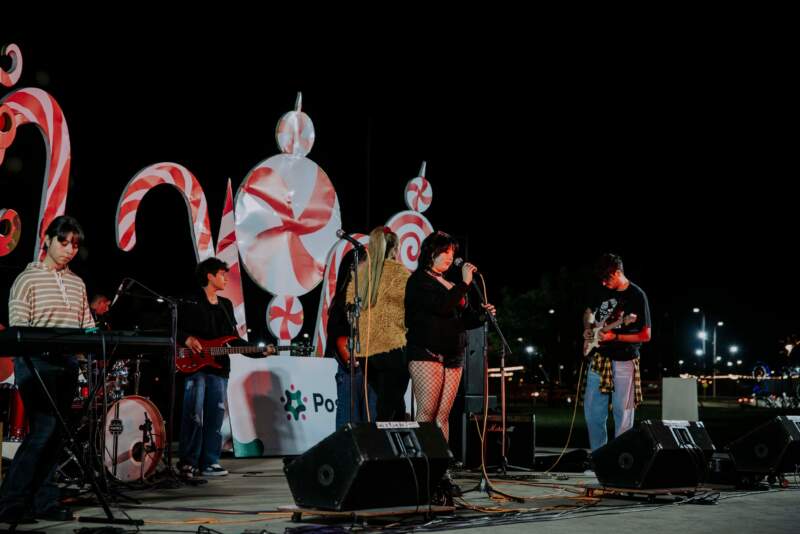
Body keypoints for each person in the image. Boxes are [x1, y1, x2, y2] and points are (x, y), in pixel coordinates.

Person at [0, 215, 94, 524]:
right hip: (34, 361)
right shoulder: (26, 280)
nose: (69, 249)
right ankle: (11, 502)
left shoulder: (77, 283)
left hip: (65, 363)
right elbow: (18, 331)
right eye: (64, 242)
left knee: (57, 436)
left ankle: (44, 501)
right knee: (43, 430)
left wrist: (95, 343)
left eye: (74, 245)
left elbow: (87, 327)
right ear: (48, 240)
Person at [176, 257, 275, 478]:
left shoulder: (225, 305)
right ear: (209, 275)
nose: (225, 278)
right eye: (221, 273)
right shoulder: (190, 301)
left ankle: (209, 462)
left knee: (215, 416)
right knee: (193, 414)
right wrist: (188, 339)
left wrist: (259, 351)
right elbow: (172, 327)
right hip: (194, 366)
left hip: (219, 368)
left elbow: (233, 340)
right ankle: (187, 462)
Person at [404, 231, 495, 442]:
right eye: (445, 252)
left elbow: (465, 319)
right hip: (426, 353)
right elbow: (442, 307)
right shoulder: (418, 281)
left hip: (453, 355)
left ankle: (442, 466)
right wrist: (464, 284)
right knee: (427, 413)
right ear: (430, 252)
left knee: (443, 416)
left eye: (452, 253)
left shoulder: (451, 285)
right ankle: (424, 463)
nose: (450, 257)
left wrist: (482, 315)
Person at [582, 252, 651, 452]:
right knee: (593, 413)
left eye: (607, 278)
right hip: (599, 358)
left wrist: (616, 337)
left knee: (623, 414)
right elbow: (588, 312)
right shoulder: (601, 290)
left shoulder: (637, 295)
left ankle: (619, 460)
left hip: (624, 360)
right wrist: (588, 327)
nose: (603, 283)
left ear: (618, 273)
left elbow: (646, 335)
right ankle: (598, 457)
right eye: (601, 279)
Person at [344, 226, 410, 422]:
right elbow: (409, 312)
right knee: (387, 410)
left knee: (392, 404)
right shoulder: (400, 274)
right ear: (395, 248)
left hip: (367, 354)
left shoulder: (360, 274)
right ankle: (386, 450)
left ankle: (397, 449)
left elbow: (350, 312)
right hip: (393, 349)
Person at [327, 251, 376, 428]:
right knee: (349, 423)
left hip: (373, 369)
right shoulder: (343, 301)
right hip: (352, 370)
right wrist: (348, 353)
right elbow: (335, 336)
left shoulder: (373, 299)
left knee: (372, 422)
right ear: (353, 269)